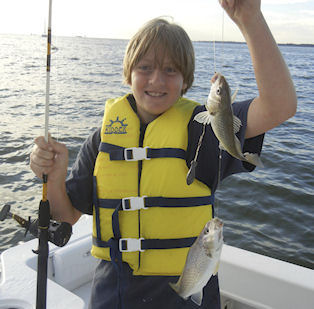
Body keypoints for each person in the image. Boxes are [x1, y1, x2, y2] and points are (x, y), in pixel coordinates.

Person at [30, 1, 297, 308]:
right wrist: (55, 176)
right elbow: (65, 217)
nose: (157, 80)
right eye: (145, 68)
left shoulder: (204, 130)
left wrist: (250, 18)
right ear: (129, 73)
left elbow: (280, 105)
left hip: (187, 294)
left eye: (171, 70)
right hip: (113, 294)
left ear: (186, 80)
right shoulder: (103, 138)